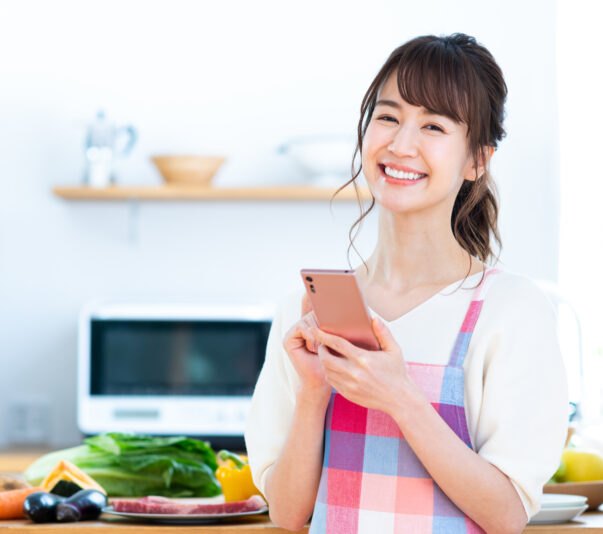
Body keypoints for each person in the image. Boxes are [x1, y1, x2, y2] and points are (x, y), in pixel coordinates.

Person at [244, 33, 569, 534]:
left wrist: (400, 396)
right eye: (389, 116)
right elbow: (289, 516)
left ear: (476, 161)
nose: (400, 145)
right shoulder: (305, 311)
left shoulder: (511, 310)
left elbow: (506, 516)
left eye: (433, 125)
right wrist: (314, 391)